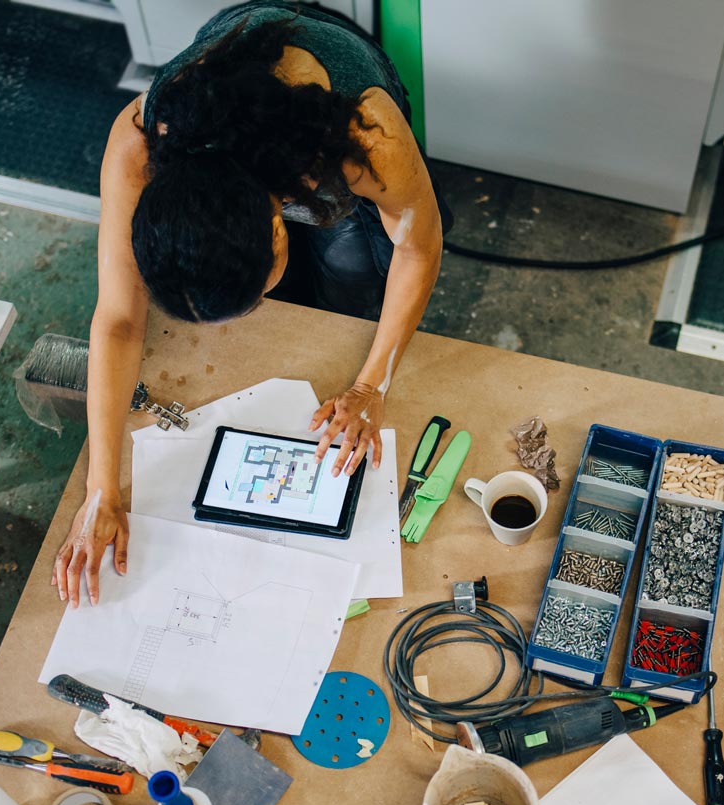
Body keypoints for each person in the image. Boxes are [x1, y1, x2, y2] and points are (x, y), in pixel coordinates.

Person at [53, 1, 446, 607]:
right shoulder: (140, 142)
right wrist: (103, 489)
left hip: (327, 109)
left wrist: (371, 386)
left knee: (352, 273)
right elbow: (120, 317)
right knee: (275, 299)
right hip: (243, 132)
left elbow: (418, 248)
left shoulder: (363, 139)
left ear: (279, 224)